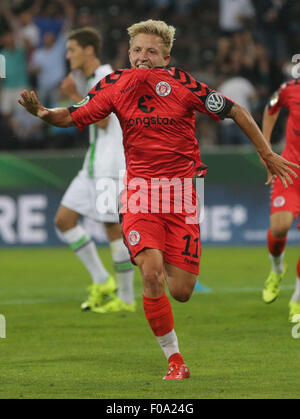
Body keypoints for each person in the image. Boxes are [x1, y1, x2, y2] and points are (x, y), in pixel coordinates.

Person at [18, 19, 298, 380]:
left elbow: (236, 111)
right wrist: (42, 113)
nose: (143, 57)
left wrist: (267, 153)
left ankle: (159, 256)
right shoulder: (114, 85)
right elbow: (73, 115)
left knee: (181, 291)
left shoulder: (184, 85)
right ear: (129, 53)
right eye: (137, 50)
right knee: (151, 274)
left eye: (151, 51)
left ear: (166, 56)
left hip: (182, 197)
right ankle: (175, 360)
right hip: (138, 193)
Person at [56, 27, 135, 314]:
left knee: (113, 227)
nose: (67, 56)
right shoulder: (93, 77)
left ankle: (126, 300)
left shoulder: (104, 76)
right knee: (64, 219)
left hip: (110, 165)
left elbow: (101, 122)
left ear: (89, 50)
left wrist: (74, 94)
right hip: (93, 163)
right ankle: (103, 281)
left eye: (72, 49)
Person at [261, 80, 300, 322]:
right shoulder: (289, 88)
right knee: (279, 228)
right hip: (290, 172)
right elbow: (270, 108)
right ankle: (277, 269)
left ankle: (297, 300)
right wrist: (265, 149)